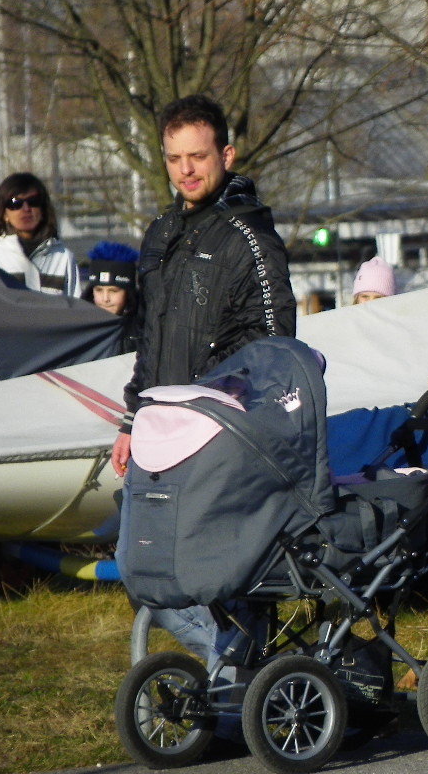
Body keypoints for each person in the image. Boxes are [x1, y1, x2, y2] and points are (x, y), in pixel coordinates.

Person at [111, 93, 296, 671]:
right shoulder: (160, 232)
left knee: (213, 574)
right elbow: (149, 342)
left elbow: (275, 347)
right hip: (157, 431)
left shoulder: (250, 237)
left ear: (226, 155)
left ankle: (242, 679)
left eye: (198, 156)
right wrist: (130, 420)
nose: (186, 170)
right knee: (142, 569)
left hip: (220, 436)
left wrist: (221, 409)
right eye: (174, 158)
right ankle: (241, 671)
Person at [0, 172, 81, 297]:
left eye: (33, 201)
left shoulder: (62, 257)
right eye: (16, 203)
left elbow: (74, 305)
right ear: (3, 213)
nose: (26, 209)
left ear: (43, 210)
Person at [83, 241, 141, 352]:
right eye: (99, 290)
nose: (105, 299)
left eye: (113, 291)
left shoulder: (144, 327)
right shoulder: (80, 327)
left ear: (128, 293)